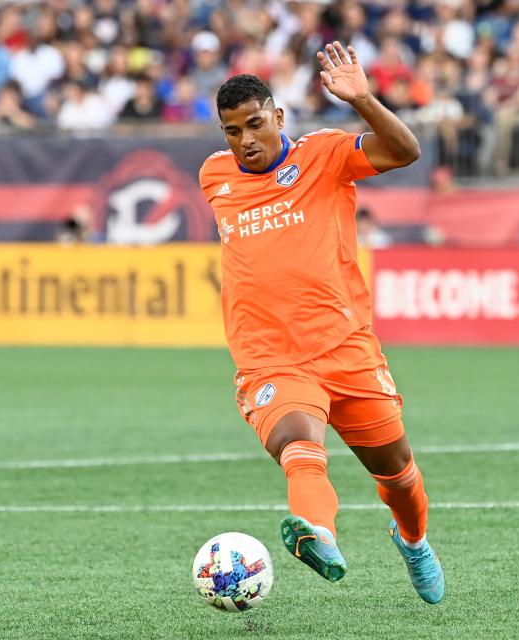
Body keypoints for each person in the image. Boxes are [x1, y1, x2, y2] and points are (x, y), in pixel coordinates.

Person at [198, 42, 444, 605]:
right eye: (232, 131)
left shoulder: (325, 156)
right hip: (270, 359)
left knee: (399, 474)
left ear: (278, 117)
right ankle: (320, 536)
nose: (245, 141)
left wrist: (364, 100)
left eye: (255, 124)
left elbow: (405, 151)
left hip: (346, 347)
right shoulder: (214, 176)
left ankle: (414, 541)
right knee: (297, 444)